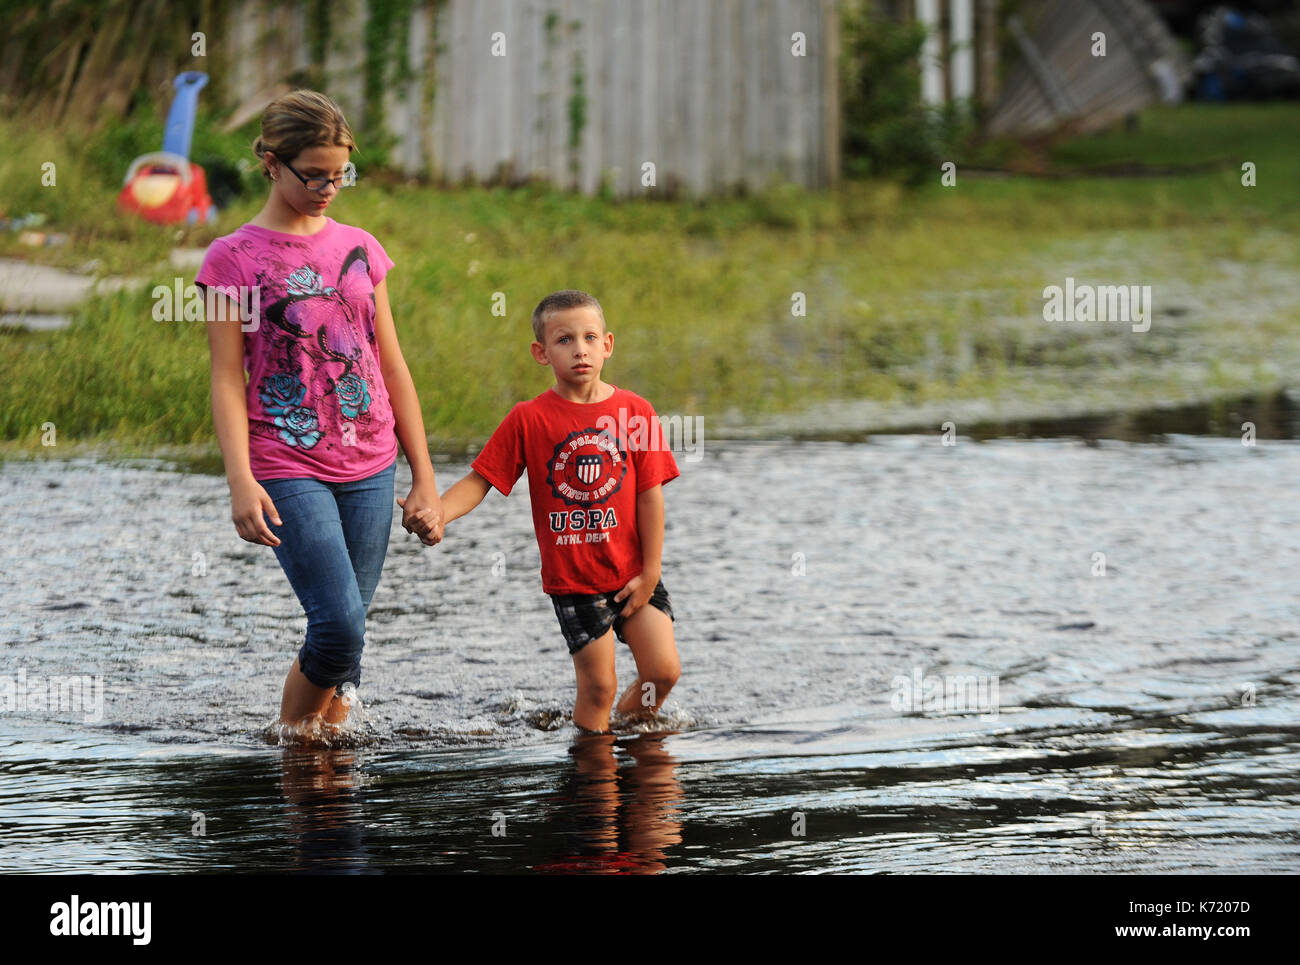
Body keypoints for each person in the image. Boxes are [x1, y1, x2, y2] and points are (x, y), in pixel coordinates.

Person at [195, 89, 444, 739]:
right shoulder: (233, 258)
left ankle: (329, 775)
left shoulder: (362, 247)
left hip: (370, 461)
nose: (330, 187)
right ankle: (292, 748)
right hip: (285, 458)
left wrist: (423, 475)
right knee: (338, 624)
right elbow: (227, 377)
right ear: (272, 164)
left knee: (349, 642)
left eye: (340, 174)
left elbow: (392, 364)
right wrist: (240, 479)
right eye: (315, 175)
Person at [432, 290, 681, 733]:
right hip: (575, 580)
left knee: (663, 672)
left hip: (634, 572)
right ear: (541, 353)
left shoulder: (635, 411)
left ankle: (629, 736)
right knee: (599, 686)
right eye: (564, 340)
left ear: (607, 344)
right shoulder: (529, 419)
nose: (579, 349)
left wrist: (651, 571)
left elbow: (650, 495)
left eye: (589, 338)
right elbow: (480, 480)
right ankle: (594, 780)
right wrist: (438, 513)